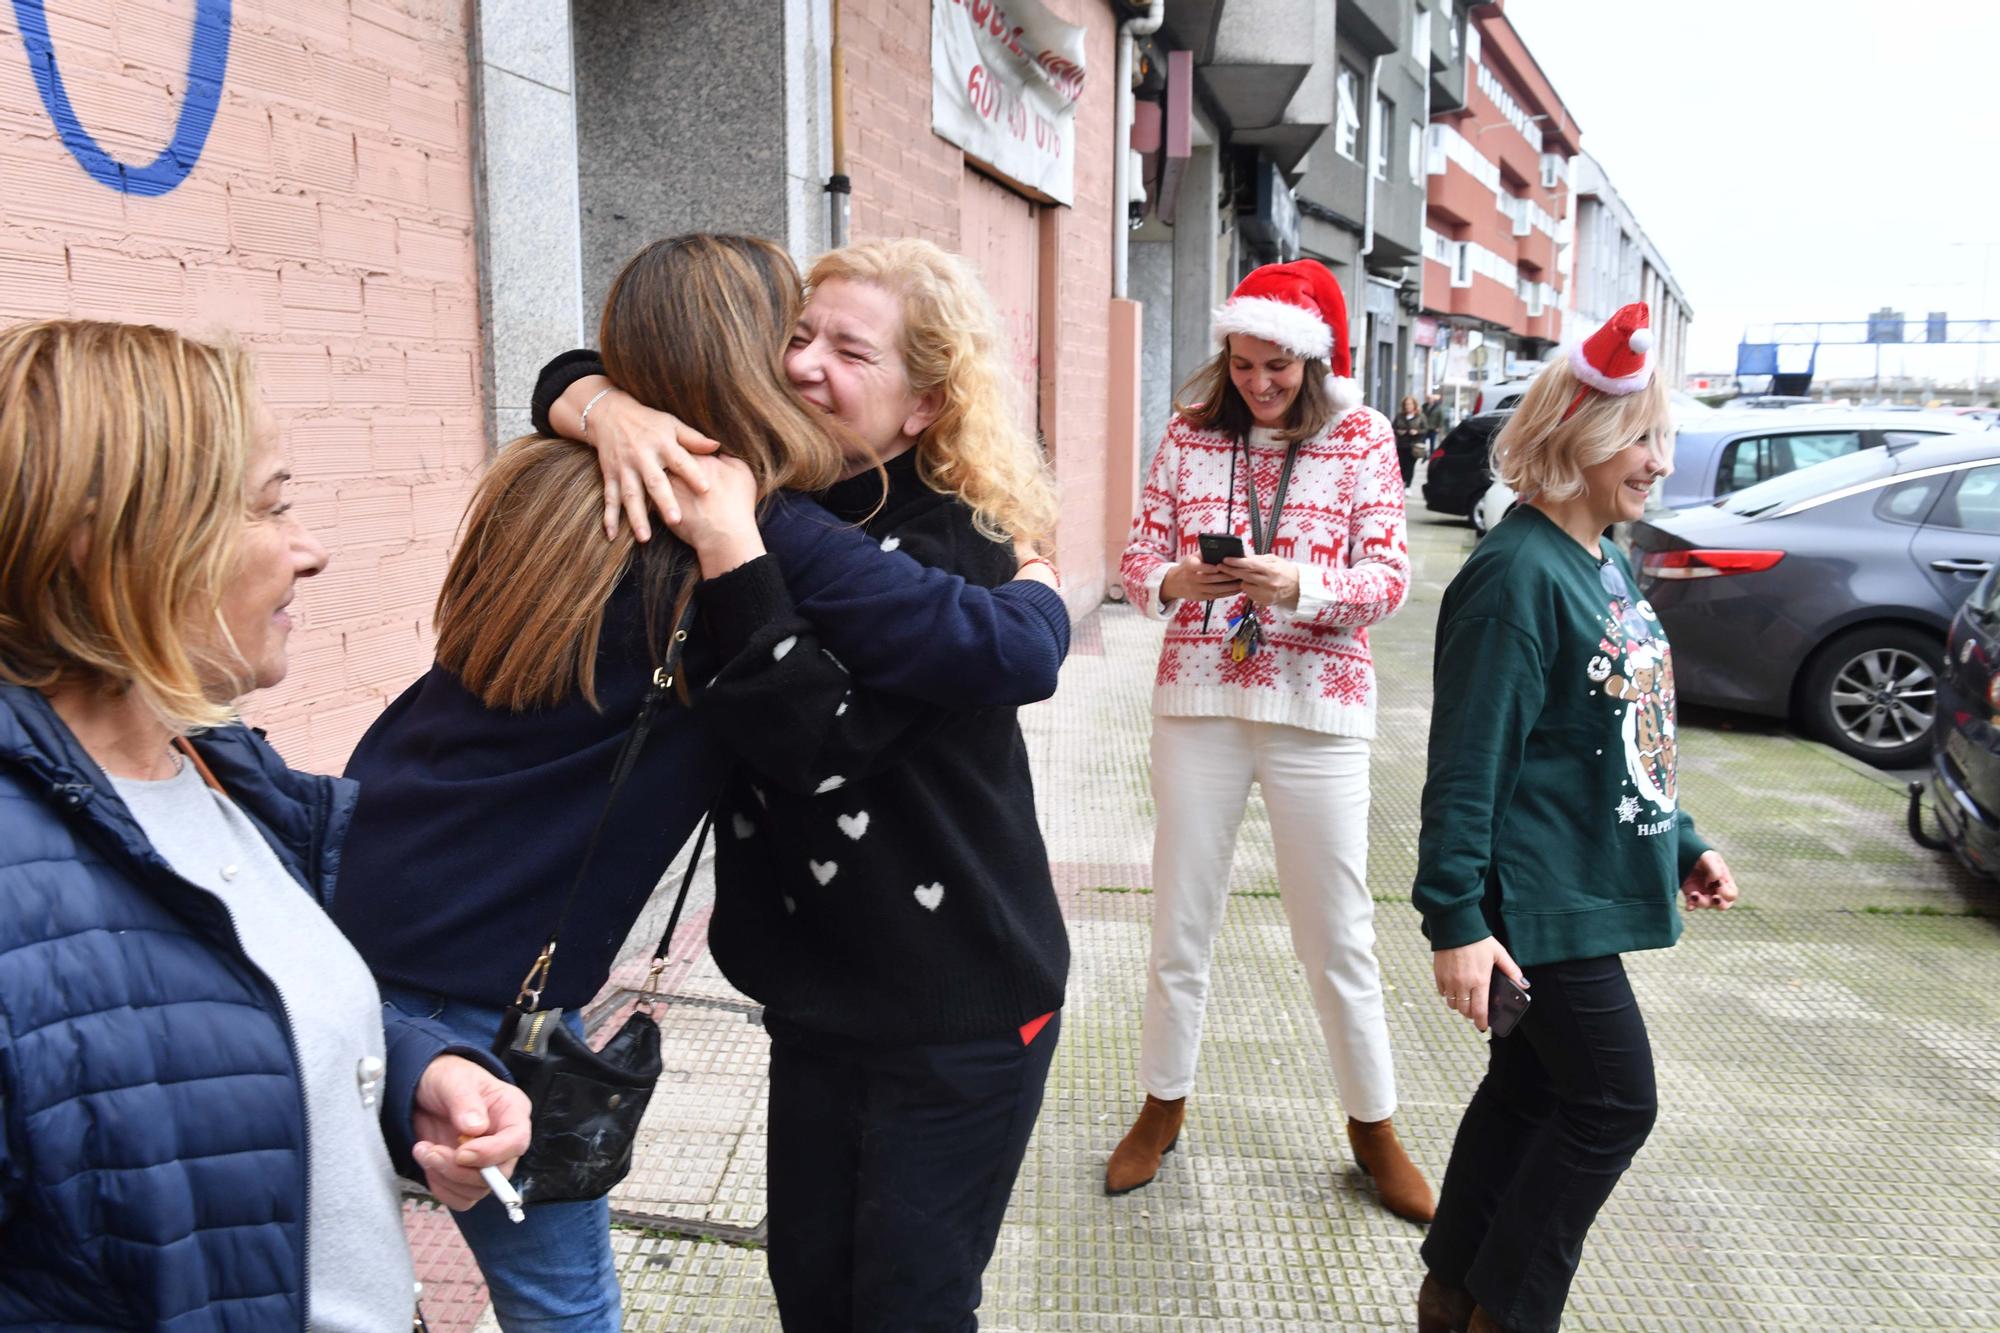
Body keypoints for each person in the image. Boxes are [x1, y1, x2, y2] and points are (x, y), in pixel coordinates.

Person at [337, 234, 1069, 1331]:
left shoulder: (628, 496)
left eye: (845, 349)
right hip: (693, 985)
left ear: (926, 404)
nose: (807, 363)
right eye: (793, 335)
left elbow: (910, 698)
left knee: (900, 1304)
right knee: (735, 1295)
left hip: (946, 996)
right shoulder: (727, 511)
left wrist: (611, 421)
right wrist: (605, 409)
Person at [0, 320, 530, 1329]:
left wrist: (407, 1073)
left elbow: (215, 1027)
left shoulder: (215, 768)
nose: (311, 550)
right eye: (270, 506)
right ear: (115, 543)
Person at [1410, 303, 1740, 1333]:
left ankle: (1453, 1298)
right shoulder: (1514, 577)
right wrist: (1454, 917)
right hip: (1539, 904)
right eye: (1639, 437)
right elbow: (1464, 768)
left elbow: (1616, 728)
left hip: (1588, 885)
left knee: (1529, 1096)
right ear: (1580, 436)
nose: (1657, 461)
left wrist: (1681, 840)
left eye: (1661, 437)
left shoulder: (1599, 556)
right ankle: (1507, 1313)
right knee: (1608, 1102)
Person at [1112, 259, 1433, 1222]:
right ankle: (1161, 1105)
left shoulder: (1363, 437)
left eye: (1279, 368)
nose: (1258, 383)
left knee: (1338, 934)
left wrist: (1303, 587)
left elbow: (1390, 578)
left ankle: (1373, 1127)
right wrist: (1174, 583)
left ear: (1316, 363)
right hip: (1201, 701)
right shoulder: (1187, 434)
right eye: (1244, 363)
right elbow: (1135, 561)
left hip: (1317, 706)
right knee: (1180, 921)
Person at [1393, 393, 1428, 487]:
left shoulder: (1420, 416)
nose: (1408, 406)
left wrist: (1417, 432)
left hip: (1414, 446)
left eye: (1410, 404)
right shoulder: (1399, 416)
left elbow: (1425, 429)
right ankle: (1401, 483)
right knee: (1401, 466)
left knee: (1410, 466)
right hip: (1401, 445)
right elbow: (1393, 427)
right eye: (1406, 404)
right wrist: (1398, 431)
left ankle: (1408, 485)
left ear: (1414, 405)